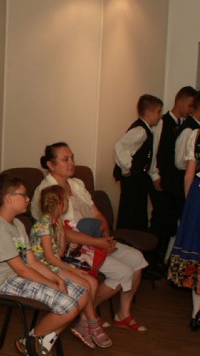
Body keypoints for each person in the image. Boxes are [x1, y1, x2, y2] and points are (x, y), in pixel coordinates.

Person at [34, 142, 149, 332]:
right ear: (50, 165)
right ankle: (85, 313)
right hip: (70, 251)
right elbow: (60, 232)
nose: (71, 163)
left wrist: (106, 237)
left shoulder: (77, 184)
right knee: (123, 273)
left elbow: (96, 214)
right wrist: (99, 243)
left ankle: (122, 314)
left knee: (137, 260)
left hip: (94, 242)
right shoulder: (46, 192)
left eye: (72, 158)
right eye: (65, 159)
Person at [0, 175, 87, 356]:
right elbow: (20, 269)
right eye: (24, 194)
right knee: (69, 306)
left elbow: (31, 261)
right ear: (8, 198)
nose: (28, 199)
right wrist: (52, 283)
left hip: (20, 275)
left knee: (81, 294)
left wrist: (57, 278)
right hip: (5, 281)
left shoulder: (18, 224)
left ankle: (34, 342)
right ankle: (32, 342)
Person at [29, 185, 111, 348]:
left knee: (93, 282)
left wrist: (62, 233)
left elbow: (59, 252)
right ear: (60, 204)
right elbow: (50, 258)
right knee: (85, 284)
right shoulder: (44, 225)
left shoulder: (56, 222)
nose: (67, 203)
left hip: (55, 263)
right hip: (44, 267)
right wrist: (72, 269)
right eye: (66, 200)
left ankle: (84, 324)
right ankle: (93, 323)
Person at [168, 95, 200, 333]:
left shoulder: (197, 135)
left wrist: (191, 206)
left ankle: (196, 312)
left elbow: (188, 174)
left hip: (197, 195)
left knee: (198, 253)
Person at [155, 86, 197, 264]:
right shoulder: (164, 123)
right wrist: (155, 175)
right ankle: (156, 260)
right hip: (164, 180)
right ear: (179, 102)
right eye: (189, 106)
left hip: (172, 182)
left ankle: (164, 260)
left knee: (171, 223)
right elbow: (156, 151)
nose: (190, 110)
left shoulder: (180, 125)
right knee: (162, 223)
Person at [113, 94, 164, 232]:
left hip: (139, 179)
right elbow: (120, 146)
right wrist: (126, 169)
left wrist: (154, 176)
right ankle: (126, 241)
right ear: (148, 112)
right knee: (130, 212)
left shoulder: (147, 130)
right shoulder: (140, 131)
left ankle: (135, 243)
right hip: (133, 181)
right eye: (158, 112)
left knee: (138, 213)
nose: (160, 116)